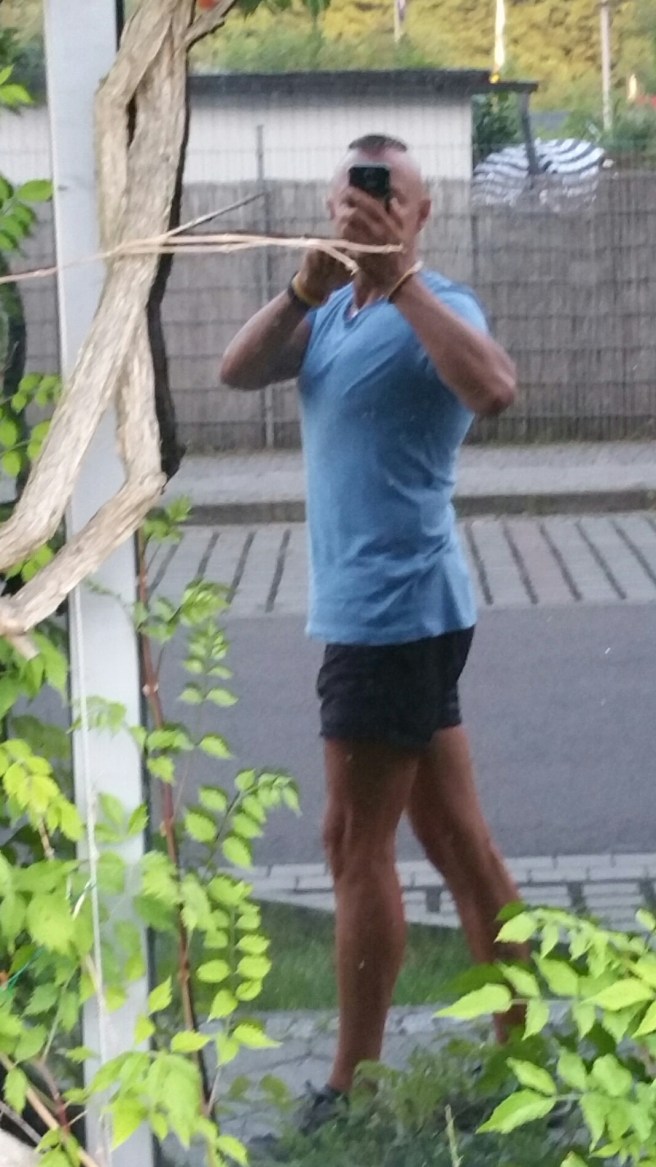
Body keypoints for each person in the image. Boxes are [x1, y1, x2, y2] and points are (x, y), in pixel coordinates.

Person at [221, 133, 527, 1138]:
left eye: (386, 194)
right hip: (399, 614)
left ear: (419, 212)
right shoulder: (329, 317)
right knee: (458, 844)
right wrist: (301, 290)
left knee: (353, 843)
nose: (365, 207)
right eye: (351, 195)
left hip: (391, 616)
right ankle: (527, 1057)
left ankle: (348, 1091)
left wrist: (399, 280)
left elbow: (493, 388)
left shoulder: (437, 304)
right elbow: (236, 371)